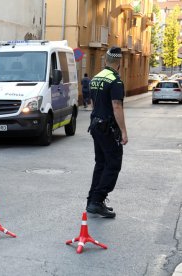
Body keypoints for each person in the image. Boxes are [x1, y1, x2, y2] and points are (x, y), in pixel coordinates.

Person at [86, 46, 128, 218]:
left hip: (96, 124)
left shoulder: (96, 78)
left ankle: (92, 201)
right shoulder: (115, 80)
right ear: (119, 63)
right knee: (113, 163)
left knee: (101, 163)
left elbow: (93, 103)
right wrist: (124, 132)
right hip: (108, 128)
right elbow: (116, 106)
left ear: (105, 60)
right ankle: (97, 200)